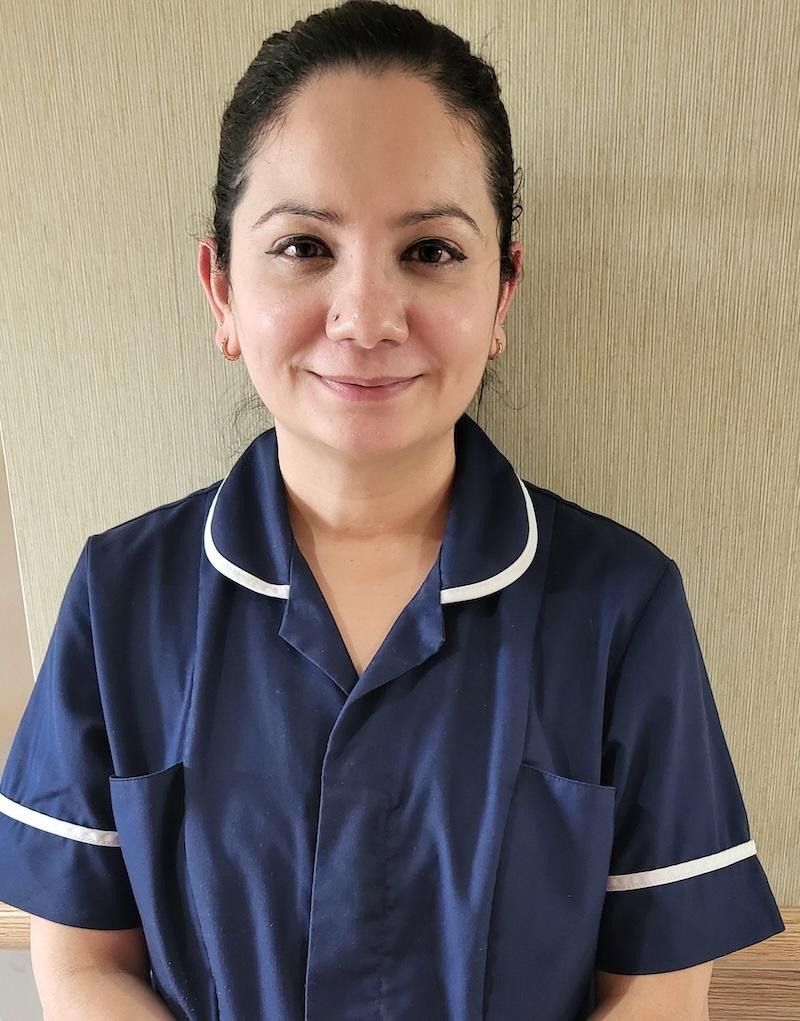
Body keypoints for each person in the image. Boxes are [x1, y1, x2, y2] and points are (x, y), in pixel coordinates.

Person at [0, 2, 785, 1019]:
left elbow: (656, 991)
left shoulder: (621, 606)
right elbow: (81, 963)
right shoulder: (121, 597)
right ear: (219, 288)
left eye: (429, 252)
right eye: (300, 246)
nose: (365, 317)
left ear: (502, 294)